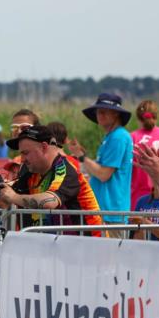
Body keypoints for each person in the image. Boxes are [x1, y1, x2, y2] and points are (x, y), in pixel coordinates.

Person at [0, 125, 103, 236]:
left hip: (89, 244)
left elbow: (49, 202)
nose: (22, 159)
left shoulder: (63, 168)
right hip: (62, 244)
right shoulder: (32, 171)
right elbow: (12, 192)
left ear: (44, 147)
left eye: (26, 153)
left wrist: (13, 197)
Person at [67, 93, 133, 222]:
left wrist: (81, 156)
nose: (99, 115)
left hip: (110, 212)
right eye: (98, 112)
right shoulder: (111, 137)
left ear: (116, 114)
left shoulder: (118, 137)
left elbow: (103, 174)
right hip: (107, 210)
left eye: (104, 111)